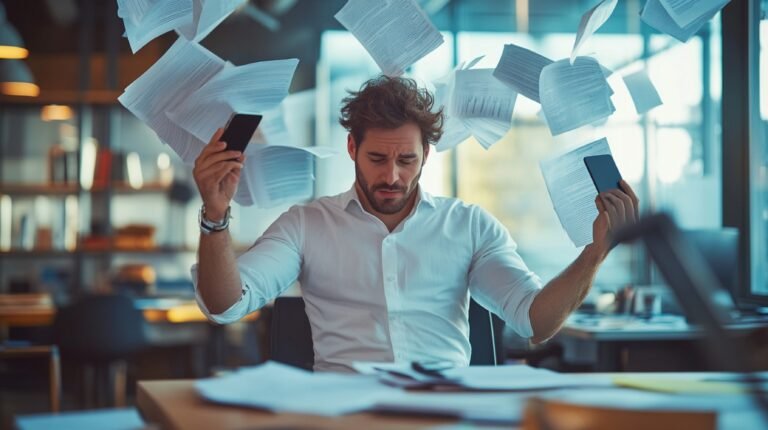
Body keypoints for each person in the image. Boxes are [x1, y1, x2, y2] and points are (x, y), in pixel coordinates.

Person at [192, 76, 639, 373]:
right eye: (377, 158)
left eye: (406, 159)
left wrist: (594, 253)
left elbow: (533, 321)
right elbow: (225, 305)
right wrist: (215, 216)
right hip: (347, 415)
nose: (391, 176)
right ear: (351, 148)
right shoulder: (306, 224)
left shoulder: (469, 226)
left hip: (445, 413)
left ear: (426, 154)